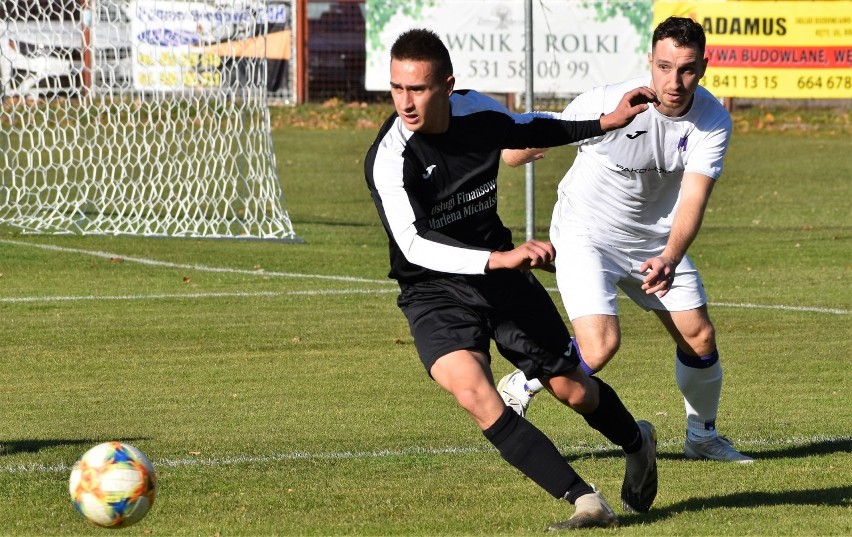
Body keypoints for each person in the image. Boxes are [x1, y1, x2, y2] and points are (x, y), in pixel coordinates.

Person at [364, 28, 660, 531]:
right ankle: (585, 499)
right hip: (433, 289)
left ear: (448, 85)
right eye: (397, 88)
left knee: (572, 390)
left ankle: (638, 442)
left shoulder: (477, 112)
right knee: (475, 393)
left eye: (419, 88)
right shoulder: (390, 158)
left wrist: (606, 122)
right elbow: (414, 245)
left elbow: (527, 127)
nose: (406, 102)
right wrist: (498, 259)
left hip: (502, 282)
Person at [498, 16, 753, 464]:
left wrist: (671, 255)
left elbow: (693, 197)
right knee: (600, 345)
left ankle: (702, 437)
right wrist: (516, 152)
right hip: (585, 231)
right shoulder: (609, 102)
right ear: (649, 62)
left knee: (698, 336)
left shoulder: (712, 120)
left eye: (687, 69)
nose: (674, 81)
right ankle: (522, 384)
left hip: (652, 243)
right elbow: (546, 131)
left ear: (704, 67)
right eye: (665, 66)